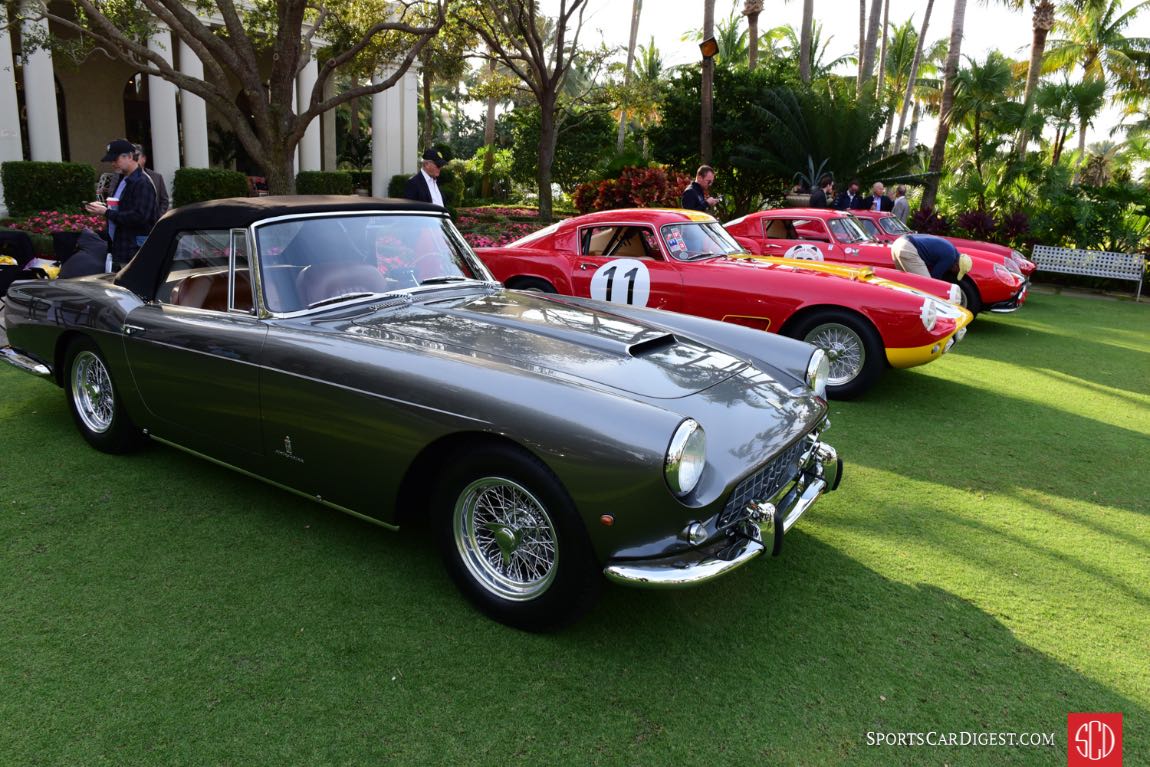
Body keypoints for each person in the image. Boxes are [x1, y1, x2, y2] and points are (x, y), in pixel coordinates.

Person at [83, 139, 160, 268]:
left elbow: (139, 217)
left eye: (116, 159)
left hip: (135, 250)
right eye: (111, 160)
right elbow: (123, 208)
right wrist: (104, 208)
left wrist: (106, 212)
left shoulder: (142, 182)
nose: (113, 164)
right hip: (124, 248)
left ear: (129, 156)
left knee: (133, 281)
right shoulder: (123, 179)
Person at [891, 233, 972, 281]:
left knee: (904, 283)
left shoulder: (951, 249)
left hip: (898, 243)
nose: (955, 273)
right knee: (927, 285)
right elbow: (935, 278)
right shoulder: (950, 257)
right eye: (958, 271)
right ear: (957, 265)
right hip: (908, 248)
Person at [134, 145, 170, 215]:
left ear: (144, 158)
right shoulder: (122, 177)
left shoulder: (157, 177)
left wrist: (159, 216)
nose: (133, 160)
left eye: (136, 157)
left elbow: (164, 201)